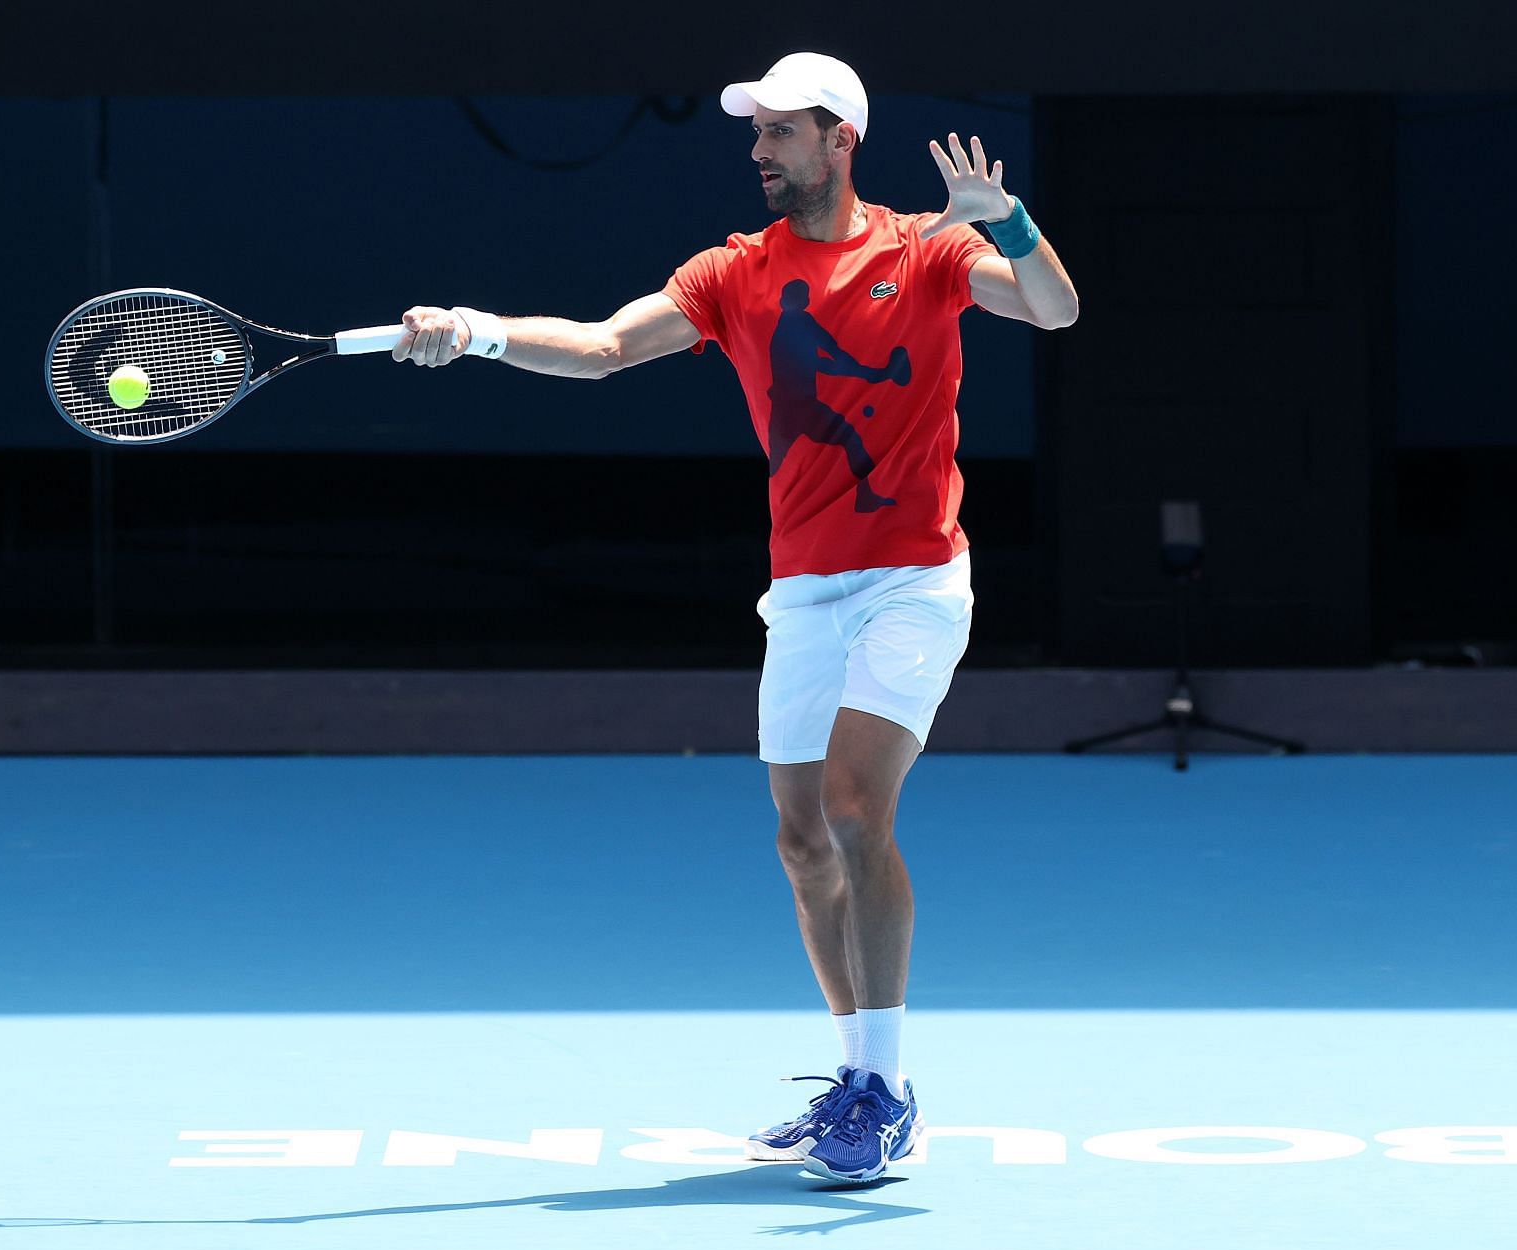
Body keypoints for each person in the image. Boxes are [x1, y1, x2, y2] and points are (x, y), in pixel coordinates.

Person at [391, 52, 1078, 1183]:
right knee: (803, 839)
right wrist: (475, 329)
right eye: (754, 134)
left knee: (859, 803)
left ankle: (891, 1089)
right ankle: (859, 1077)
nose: (758, 151)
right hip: (805, 589)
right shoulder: (733, 272)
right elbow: (607, 347)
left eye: (778, 132)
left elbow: (1054, 309)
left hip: (914, 578)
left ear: (838, 139)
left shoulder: (931, 249)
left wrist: (1007, 220)